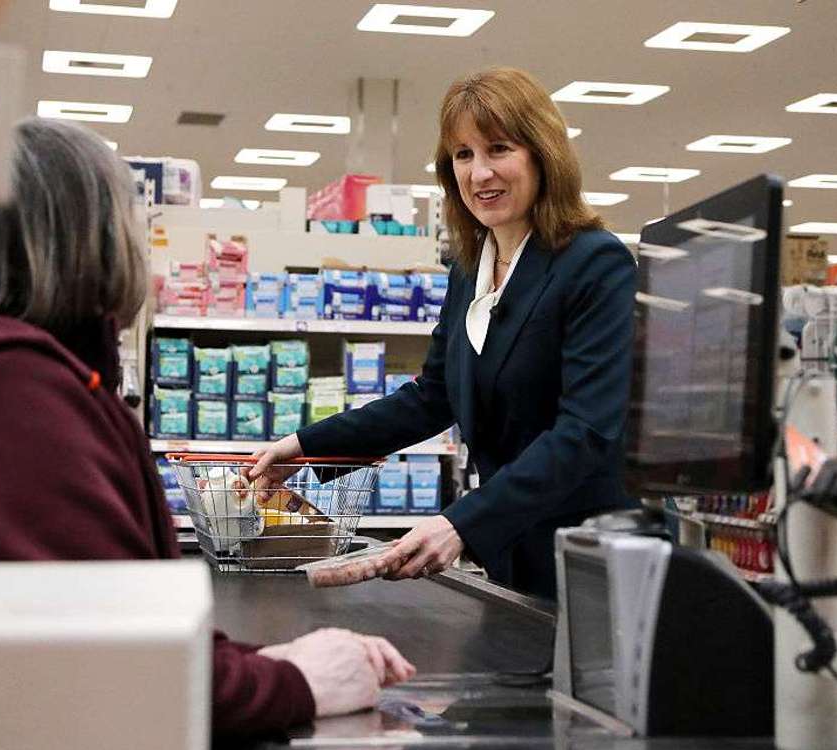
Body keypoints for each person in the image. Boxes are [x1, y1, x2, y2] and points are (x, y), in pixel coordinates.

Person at [0, 117, 414, 739]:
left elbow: (119, 620)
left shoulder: (4, 373)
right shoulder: (11, 392)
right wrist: (297, 683)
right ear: (90, 238)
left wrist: (255, 666)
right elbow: (122, 663)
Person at [250, 67, 638, 599]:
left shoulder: (595, 263)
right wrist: (305, 446)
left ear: (542, 154)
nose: (480, 173)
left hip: (581, 556)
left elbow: (587, 432)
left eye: (499, 148)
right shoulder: (469, 267)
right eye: (463, 155)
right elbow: (433, 398)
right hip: (511, 556)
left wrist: (463, 522)